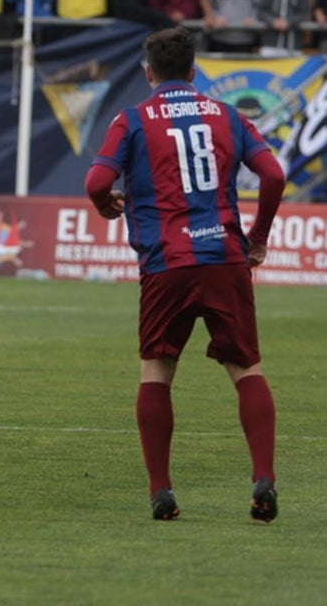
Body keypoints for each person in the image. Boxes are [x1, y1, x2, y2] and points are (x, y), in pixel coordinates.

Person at [84, 26, 284, 522]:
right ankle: (264, 477)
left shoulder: (132, 119)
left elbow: (97, 181)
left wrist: (105, 205)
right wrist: (257, 236)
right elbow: (274, 176)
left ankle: (161, 490)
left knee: (157, 370)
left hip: (166, 263)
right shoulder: (228, 115)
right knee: (246, 369)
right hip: (224, 258)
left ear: (149, 73)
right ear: (194, 72)